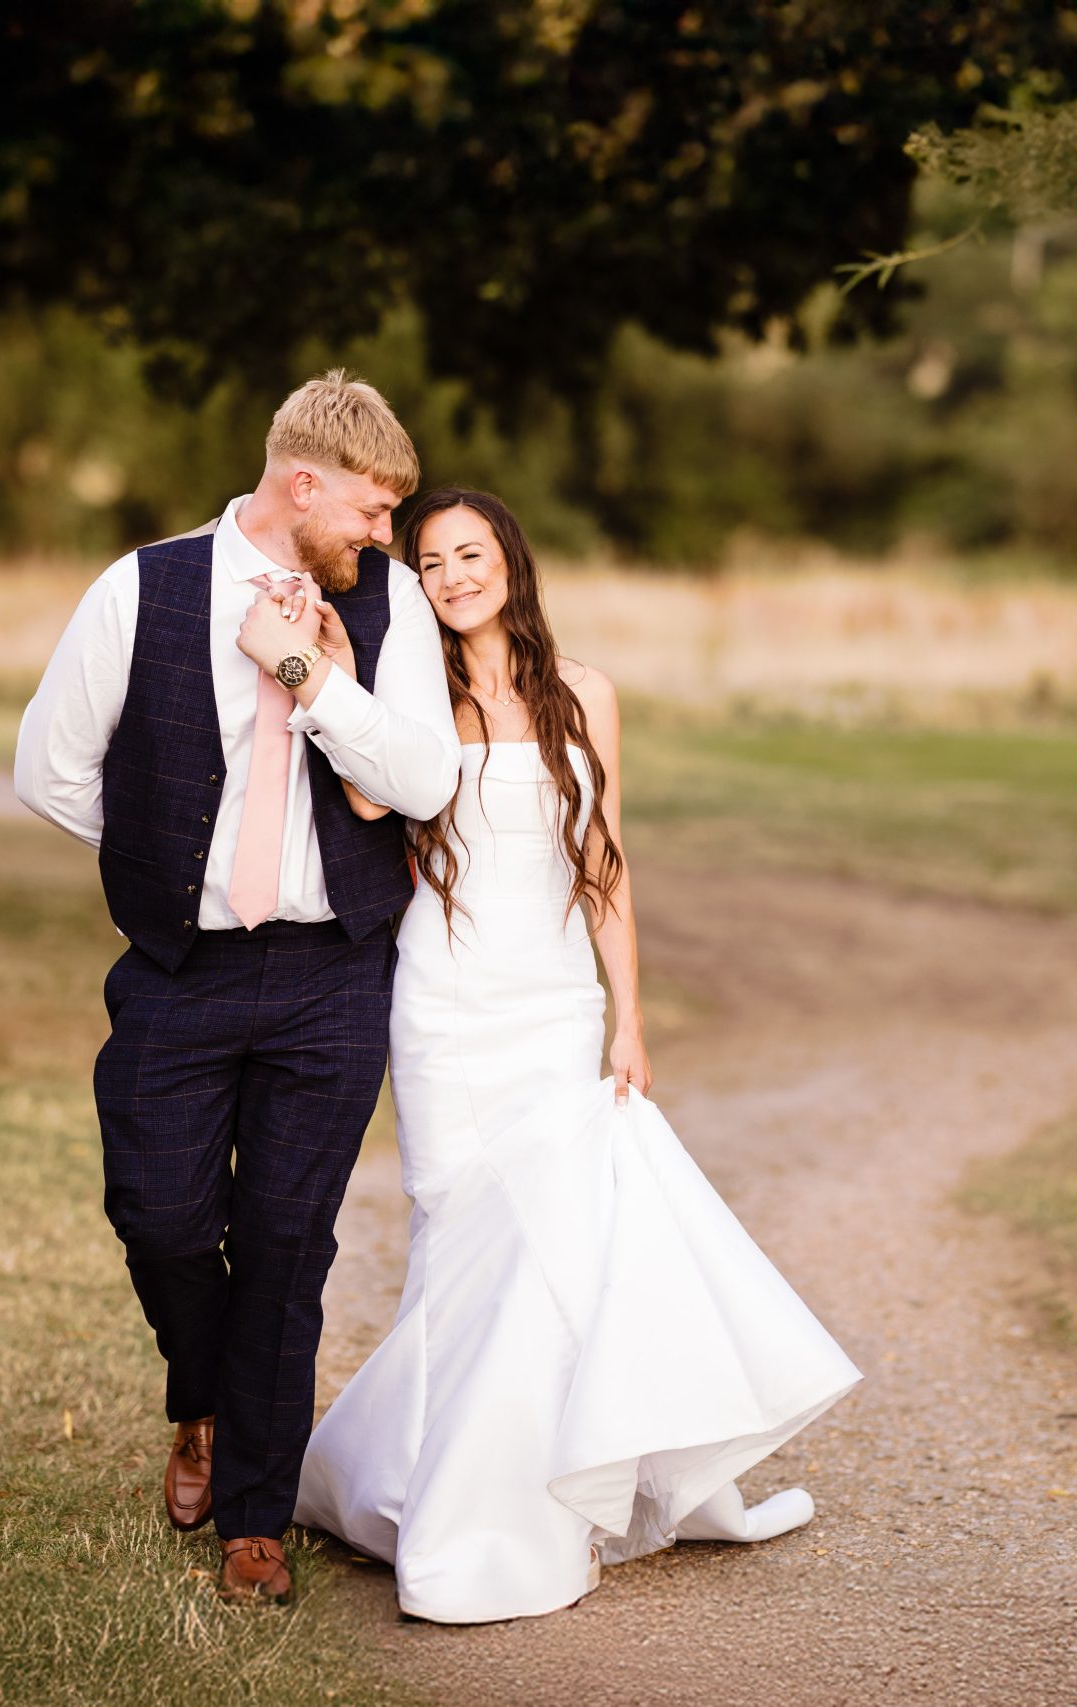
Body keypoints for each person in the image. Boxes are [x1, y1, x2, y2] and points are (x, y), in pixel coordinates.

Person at [293, 487, 861, 1624]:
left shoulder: (585, 695)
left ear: (508, 557)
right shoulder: (412, 692)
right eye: (431, 560)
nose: (453, 575)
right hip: (446, 1006)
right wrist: (320, 673)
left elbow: (604, 861)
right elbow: (364, 796)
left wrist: (625, 1016)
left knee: (557, 1254)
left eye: (470, 551)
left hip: (552, 1007)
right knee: (462, 1249)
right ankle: (441, 1500)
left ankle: (551, 1509)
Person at [13, 372, 460, 1607]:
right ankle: (203, 1400)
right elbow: (49, 771)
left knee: (285, 1244)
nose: (386, 536)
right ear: (302, 483)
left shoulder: (394, 610)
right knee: (155, 1214)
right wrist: (172, 853)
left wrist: (317, 683)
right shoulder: (139, 589)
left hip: (333, 971)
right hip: (181, 967)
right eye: (372, 510)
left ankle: (257, 1520)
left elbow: (422, 779)